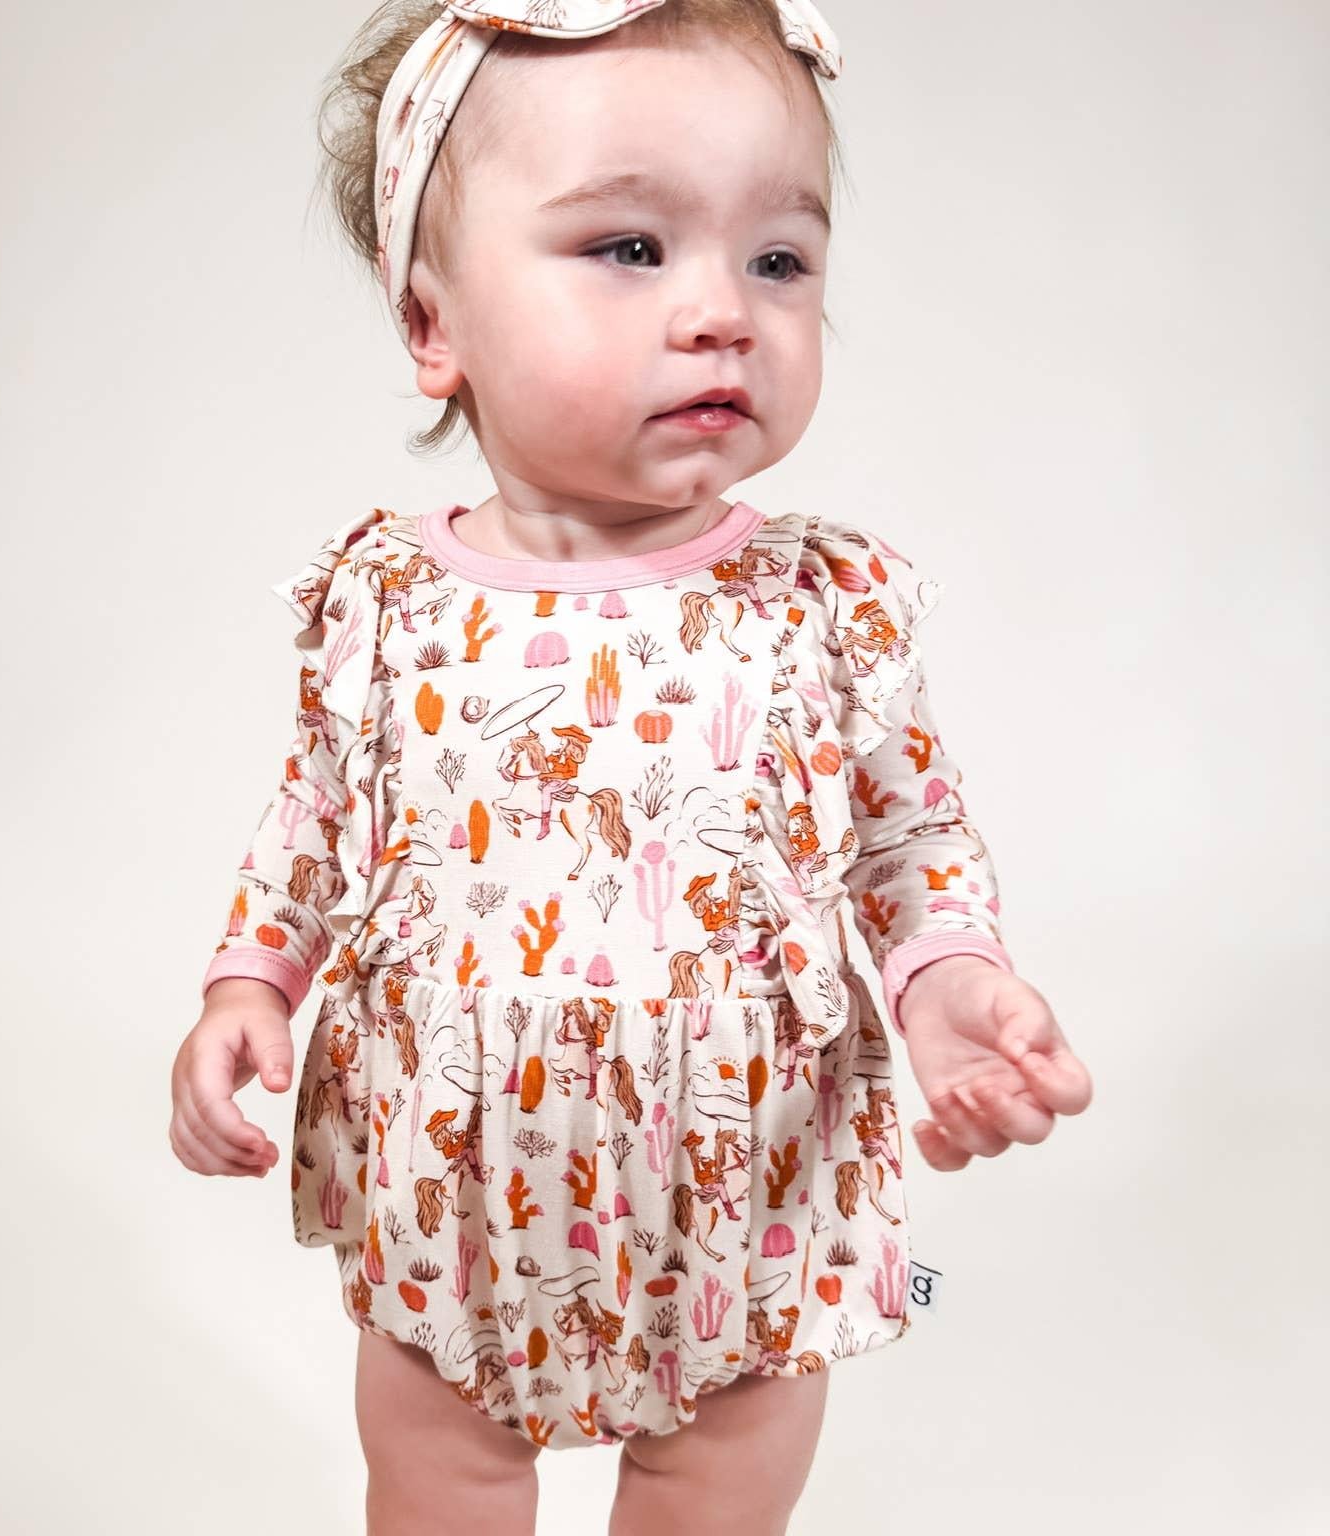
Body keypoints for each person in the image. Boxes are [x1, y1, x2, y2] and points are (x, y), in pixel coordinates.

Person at [167, 3, 1093, 1531]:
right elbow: (317, 822)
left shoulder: (825, 604)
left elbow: (907, 838)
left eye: (780, 261)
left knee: (719, 1480)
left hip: (754, 1169)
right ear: (431, 327)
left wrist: (952, 991)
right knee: (438, 1464)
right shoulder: (385, 599)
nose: (725, 311)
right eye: (630, 248)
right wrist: (248, 985)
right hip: (455, 1170)